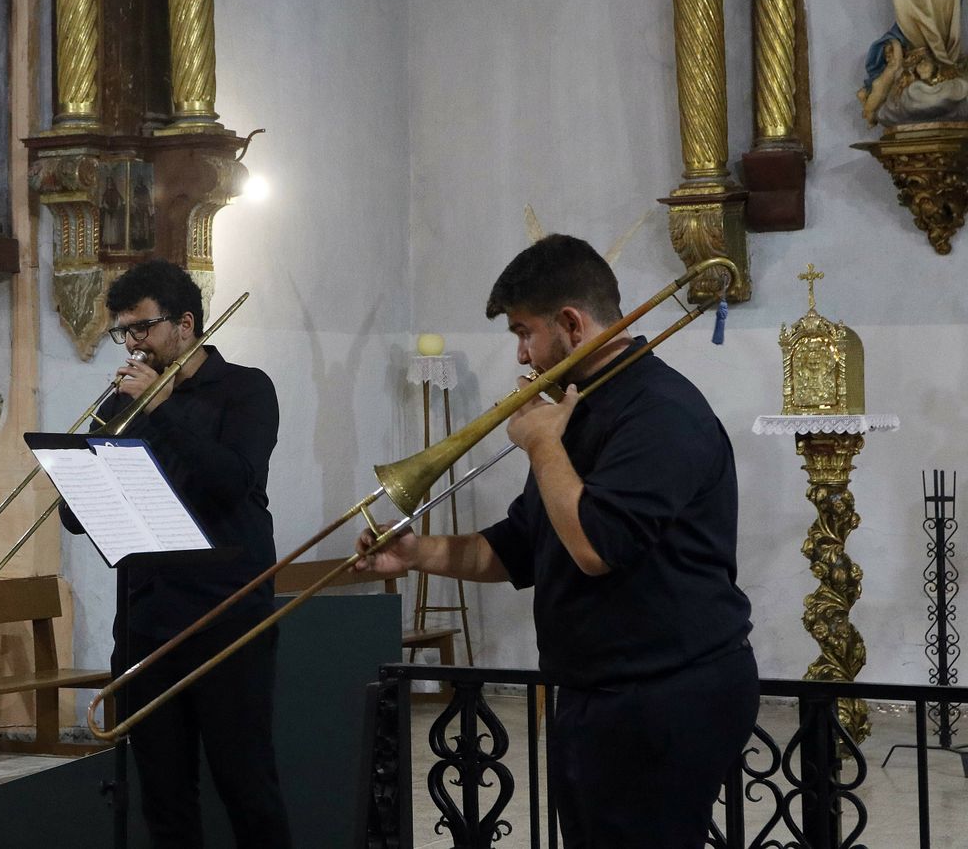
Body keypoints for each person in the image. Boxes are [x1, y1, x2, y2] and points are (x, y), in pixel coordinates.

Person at [357, 235, 756, 849]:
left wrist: (543, 444)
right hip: (596, 692)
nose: (521, 355)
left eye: (525, 333)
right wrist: (414, 554)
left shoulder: (660, 414)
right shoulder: (576, 408)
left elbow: (595, 547)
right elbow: (521, 547)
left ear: (571, 322)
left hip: (665, 697)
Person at [61, 259, 292, 849]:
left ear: (184, 324)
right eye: (124, 332)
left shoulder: (246, 389)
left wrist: (162, 408)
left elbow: (230, 482)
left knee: (245, 784)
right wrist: (81, 465)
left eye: (142, 328)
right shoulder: (123, 404)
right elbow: (74, 515)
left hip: (225, 612)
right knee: (162, 796)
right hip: (148, 615)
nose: (132, 344)